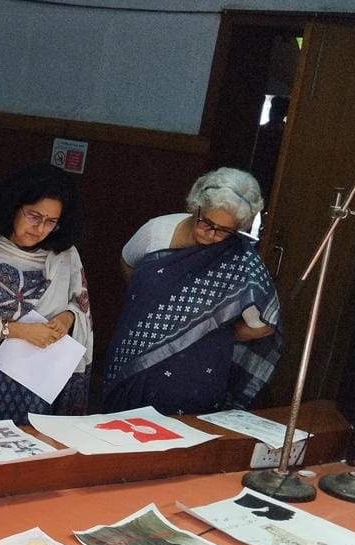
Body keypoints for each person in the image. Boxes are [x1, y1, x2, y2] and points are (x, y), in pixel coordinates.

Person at [104, 167, 281, 415]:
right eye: (206, 222)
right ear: (196, 206)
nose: (211, 234)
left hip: (193, 379)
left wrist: (210, 333)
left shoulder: (240, 261)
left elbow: (264, 324)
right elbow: (128, 262)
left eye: (224, 230)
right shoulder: (157, 231)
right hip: (134, 356)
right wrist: (149, 305)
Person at [0, 164, 91, 424]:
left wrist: (68, 317)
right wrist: (18, 331)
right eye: (34, 216)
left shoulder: (65, 256)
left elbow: (79, 304)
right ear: (14, 206)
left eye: (51, 222)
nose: (40, 228)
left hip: (45, 378)